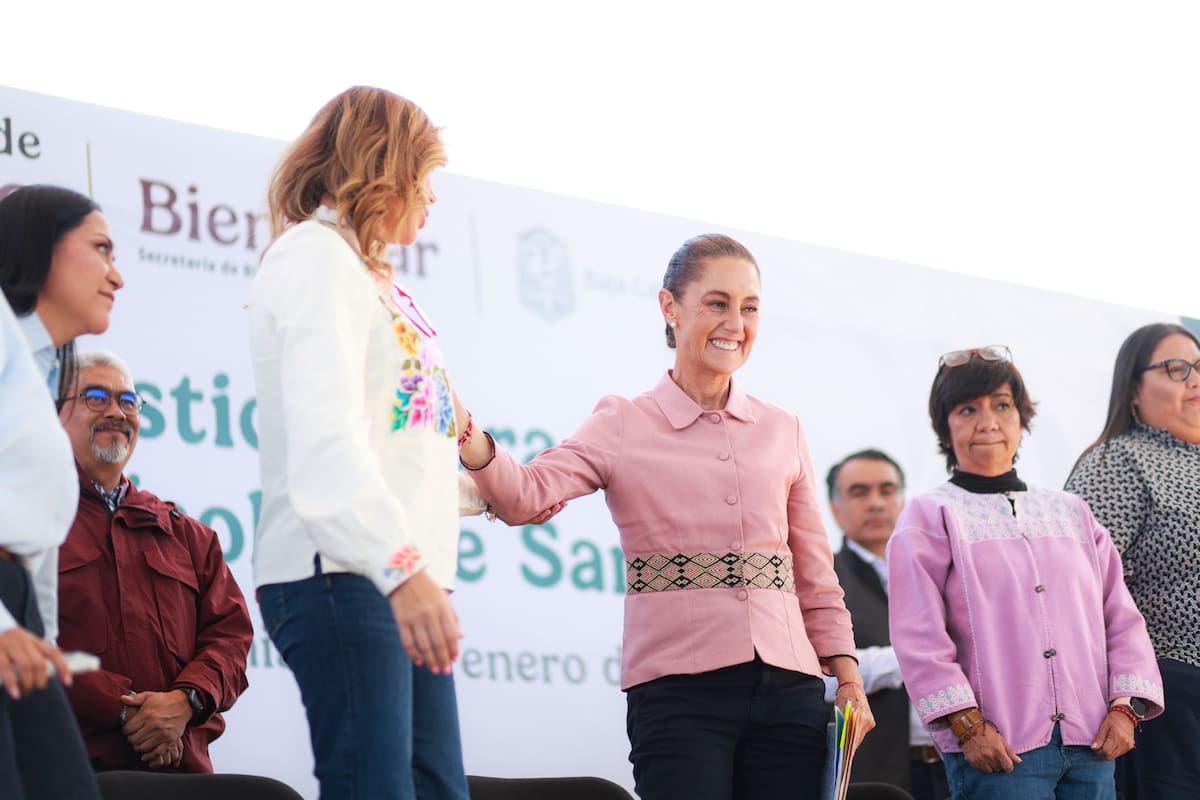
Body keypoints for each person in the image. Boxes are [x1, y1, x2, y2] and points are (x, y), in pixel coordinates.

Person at [460, 233, 874, 800]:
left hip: (792, 692)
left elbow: (815, 574)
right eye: (717, 302)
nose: (736, 322)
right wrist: (464, 429)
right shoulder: (624, 421)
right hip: (679, 697)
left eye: (749, 307)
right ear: (669, 307)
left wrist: (847, 676)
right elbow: (525, 495)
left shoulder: (784, 429)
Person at [248, 86, 481, 800]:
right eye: (426, 173)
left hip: (390, 571)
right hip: (347, 572)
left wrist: (503, 490)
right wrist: (403, 571)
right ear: (386, 169)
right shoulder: (314, 259)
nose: (434, 196)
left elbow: (401, 443)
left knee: (436, 789)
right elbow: (328, 441)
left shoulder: (367, 274)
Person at [888, 345, 1163, 800]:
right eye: (967, 409)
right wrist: (968, 727)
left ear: (1021, 416)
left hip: (1092, 745)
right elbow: (919, 638)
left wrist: (1124, 710)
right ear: (945, 425)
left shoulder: (1072, 512)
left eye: (1001, 405)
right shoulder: (930, 515)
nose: (988, 422)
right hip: (999, 750)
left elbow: (1121, 617)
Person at [56, 349, 253, 773]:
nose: (116, 412)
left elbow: (231, 638)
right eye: (96, 397)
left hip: (182, 774)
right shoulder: (27, 525)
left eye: (128, 401)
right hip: (70, 773)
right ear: (56, 415)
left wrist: (185, 701)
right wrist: (125, 710)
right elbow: (23, 643)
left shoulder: (189, 536)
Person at [0, 183, 121, 799]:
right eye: (101, 248)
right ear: (40, 248)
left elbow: (31, 548)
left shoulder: (42, 368)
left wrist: (39, 643)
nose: (117, 275)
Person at [1065, 322, 1200, 799]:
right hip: (1168, 693)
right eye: (1177, 368)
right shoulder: (1118, 462)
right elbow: (1077, 587)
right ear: (1134, 390)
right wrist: (1123, 700)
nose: (1195, 379)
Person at [824, 449, 948, 799]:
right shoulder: (822, 580)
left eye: (887, 490)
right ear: (835, 508)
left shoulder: (938, 572)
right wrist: (912, 659)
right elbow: (814, 675)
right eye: (859, 492)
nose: (876, 503)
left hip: (957, 765)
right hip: (877, 773)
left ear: (903, 499)